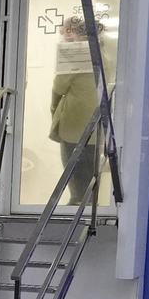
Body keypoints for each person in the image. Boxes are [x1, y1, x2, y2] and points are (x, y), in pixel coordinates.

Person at [49, 15, 105, 206]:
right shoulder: (104, 56)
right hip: (96, 127)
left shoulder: (75, 55)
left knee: (74, 176)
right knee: (91, 175)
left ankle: (75, 211)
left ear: (80, 36)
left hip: (73, 127)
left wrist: (54, 110)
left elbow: (59, 87)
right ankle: (90, 209)